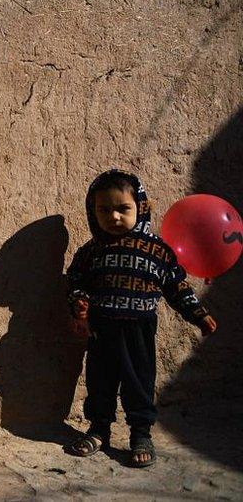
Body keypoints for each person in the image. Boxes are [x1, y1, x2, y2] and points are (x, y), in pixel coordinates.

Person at [64, 169, 217, 467]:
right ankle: (98, 429)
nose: (114, 216)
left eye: (123, 208)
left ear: (141, 208)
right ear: (93, 212)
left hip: (139, 329)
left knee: (139, 381)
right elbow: (76, 279)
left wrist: (198, 314)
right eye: (104, 210)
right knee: (100, 380)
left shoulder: (157, 251)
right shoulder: (92, 251)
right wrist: (79, 301)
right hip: (102, 329)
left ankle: (140, 433)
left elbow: (176, 287)